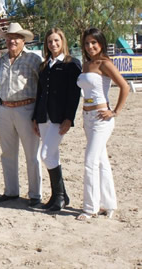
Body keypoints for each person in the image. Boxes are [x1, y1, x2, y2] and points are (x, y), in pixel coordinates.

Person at [75, 28, 129, 221]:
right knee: (101, 161)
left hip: (101, 118)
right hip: (88, 117)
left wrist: (115, 111)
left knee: (90, 161)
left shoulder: (104, 63)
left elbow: (125, 86)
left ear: (101, 43)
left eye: (93, 43)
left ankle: (90, 208)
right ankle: (109, 203)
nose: (90, 47)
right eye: (87, 43)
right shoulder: (86, 64)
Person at [32, 28, 82, 212]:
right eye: (50, 41)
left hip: (58, 117)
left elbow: (74, 94)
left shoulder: (71, 64)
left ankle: (60, 195)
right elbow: (40, 92)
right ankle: (58, 196)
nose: (53, 44)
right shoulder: (45, 65)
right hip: (44, 116)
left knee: (45, 154)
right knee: (52, 155)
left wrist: (69, 117)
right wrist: (35, 117)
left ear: (62, 41)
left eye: (56, 41)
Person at [0, 22, 43, 207]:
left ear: (23, 41)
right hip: (5, 109)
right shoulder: (2, 60)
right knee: (7, 153)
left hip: (26, 109)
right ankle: (11, 191)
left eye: (16, 37)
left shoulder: (33, 60)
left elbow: (42, 88)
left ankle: (35, 194)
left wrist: (38, 115)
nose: (12, 41)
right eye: (9, 37)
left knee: (32, 154)